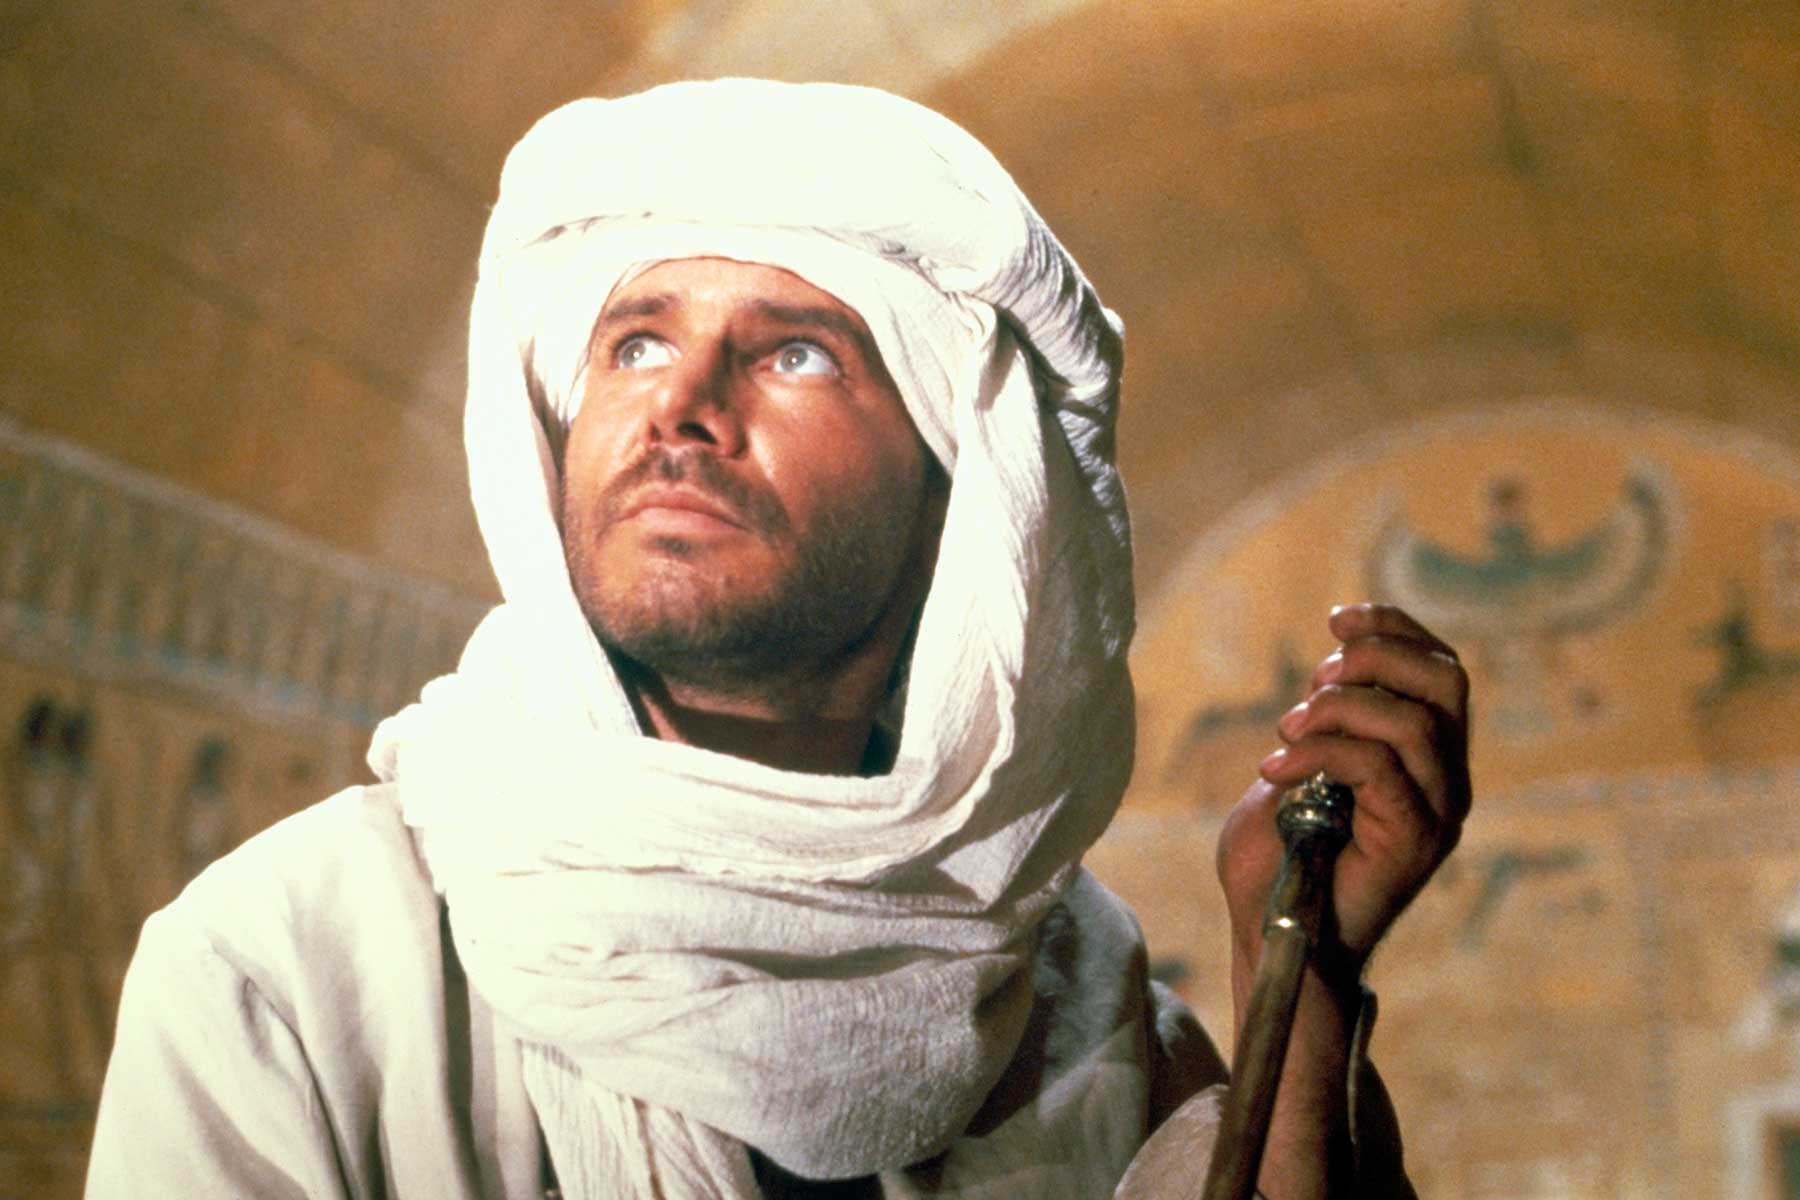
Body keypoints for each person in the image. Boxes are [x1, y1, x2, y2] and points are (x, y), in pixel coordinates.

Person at [87, 79, 1469, 1199]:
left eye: (793, 353)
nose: (680, 405)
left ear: (961, 494)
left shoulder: (1077, 1011)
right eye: (634, 345)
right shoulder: (294, 972)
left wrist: (1299, 970)